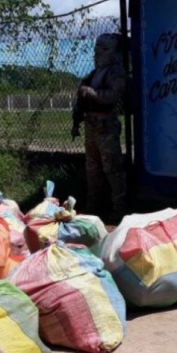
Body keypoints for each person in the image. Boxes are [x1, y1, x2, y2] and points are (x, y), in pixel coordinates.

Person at [76, 33, 128, 218]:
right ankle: (94, 204)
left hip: (106, 124)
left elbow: (113, 96)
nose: (98, 52)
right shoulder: (94, 73)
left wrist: (91, 92)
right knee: (92, 167)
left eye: (104, 49)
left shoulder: (116, 71)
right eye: (97, 48)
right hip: (92, 124)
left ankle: (120, 208)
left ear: (114, 52)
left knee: (112, 167)